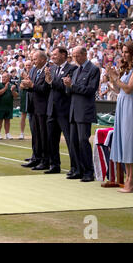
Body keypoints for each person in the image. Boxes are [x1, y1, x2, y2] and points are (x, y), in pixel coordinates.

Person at [106, 41, 133, 193]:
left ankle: (131, 180)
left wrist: (115, 78)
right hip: (122, 105)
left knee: (130, 141)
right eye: (123, 52)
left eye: (126, 52)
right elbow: (119, 90)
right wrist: (112, 78)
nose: (123, 55)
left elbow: (130, 89)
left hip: (131, 107)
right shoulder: (127, 69)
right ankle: (129, 179)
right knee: (125, 141)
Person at [63, 46, 100, 182]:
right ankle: (78, 169)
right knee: (73, 142)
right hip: (73, 110)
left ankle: (88, 171)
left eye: (77, 55)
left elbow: (90, 90)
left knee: (83, 141)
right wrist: (67, 86)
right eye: (73, 56)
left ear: (84, 55)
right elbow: (70, 91)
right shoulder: (76, 69)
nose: (75, 58)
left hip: (84, 110)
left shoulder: (93, 69)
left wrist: (72, 86)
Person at [44, 46, 77, 175]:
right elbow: (50, 87)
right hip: (52, 110)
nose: (53, 57)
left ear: (64, 55)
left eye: (55, 54)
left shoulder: (72, 69)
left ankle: (74, 167)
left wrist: (51, 82)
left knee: (70, 140)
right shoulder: (51, 69)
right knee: (52, 140)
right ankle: (54, 165)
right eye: (52, 55)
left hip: (65, 110)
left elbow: (66, 87)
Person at [20, 50, 50, 170]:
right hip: (32, 106)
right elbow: (30, 86)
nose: (33, 61)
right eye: (32, 59)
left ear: (43, 59)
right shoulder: (33, 70)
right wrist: (26, 85)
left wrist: (31, 85)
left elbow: (45, 89)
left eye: (35, 59)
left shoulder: (48, 70)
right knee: (35, 134)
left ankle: (44, 160)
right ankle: (36, 157)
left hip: (42, 107)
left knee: (43, 135)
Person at [0, 71, 18, 140]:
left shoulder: (12, 85)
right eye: (2, 77)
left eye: (5, 77)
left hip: (9, 106)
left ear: (8, 78)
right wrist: (5, 88)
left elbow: (16, 96)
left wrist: (13, 91)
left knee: (7, 120)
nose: (3, 78)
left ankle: (7, 134)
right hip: (0, 106)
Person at [18, 60, 32, 140]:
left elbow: (31, 85)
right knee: (23, 115)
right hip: (24, 96)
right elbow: (21, 86)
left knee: (33, 116)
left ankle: (34, 133)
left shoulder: (35, 73)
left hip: (33, 96)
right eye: (26, 65)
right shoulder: (21, 75)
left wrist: (26, 80)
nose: (28, 67)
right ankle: (22, 133)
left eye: (29, 65)